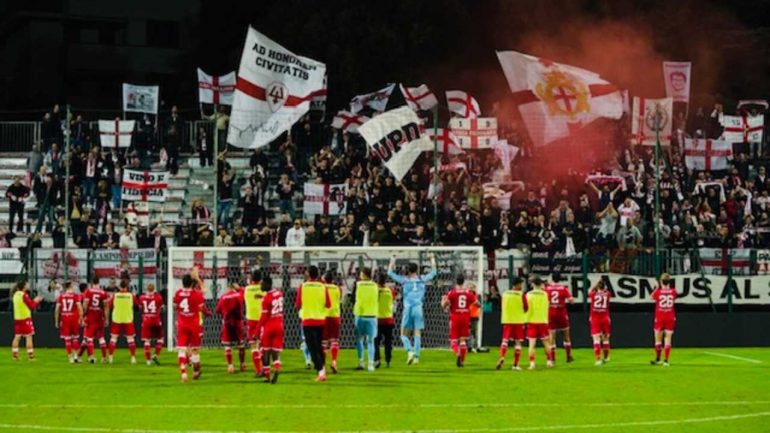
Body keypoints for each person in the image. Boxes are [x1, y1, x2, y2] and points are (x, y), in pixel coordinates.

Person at [387, 253, 437, 365]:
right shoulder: (422, 279)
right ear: (417, 270)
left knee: (403, 334)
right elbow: (434, 272)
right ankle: (416, 357)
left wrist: (392, 260)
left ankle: (409, 351)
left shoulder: (404, 280)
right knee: (417, 333)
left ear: (408, 271)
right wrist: (432, 258)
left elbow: (389, 273)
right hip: (418, 308)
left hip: (408, 308)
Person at [294, 265, 331, 381]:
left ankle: (320, 372)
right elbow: (328, 304)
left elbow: (297, 304)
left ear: (308, 274)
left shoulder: (303, 286)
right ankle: (322, 368)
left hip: (308, 321)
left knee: (312, 348)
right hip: (320, 320)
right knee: (319, 346)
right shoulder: (322, 286)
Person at [174, 274, 207, 382]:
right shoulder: (197, 295)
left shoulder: (178, 293)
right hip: (194, 325)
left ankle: (183, 372)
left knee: (182, 349)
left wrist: (181, 312)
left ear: (182, 283)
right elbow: (202, 308)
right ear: (192, 283)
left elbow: (175, 306)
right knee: (195, 350)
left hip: (182, 324)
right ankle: (196, 371)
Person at [441, 275, 479, 368]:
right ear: (463, 282)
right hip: (465, 317)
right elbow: (478, 304)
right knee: (463, 341)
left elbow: (444, 306)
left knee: (453, 341)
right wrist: (469, 304)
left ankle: (457, 352)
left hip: (455, 317)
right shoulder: (468, 293)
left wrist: (443, 300)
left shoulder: (452, 293)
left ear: (456, 282)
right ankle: (462, 361)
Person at [496, 277, 528, 370]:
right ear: (517, 284)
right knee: (518, 343)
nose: (521, 286)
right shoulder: (521, 294)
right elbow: (526, 308)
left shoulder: (505, 294)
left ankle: (502, 356)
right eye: (520, 284)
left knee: (505, 340)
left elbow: (502, 305)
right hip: (518, 320)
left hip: (507, 320)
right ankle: (515, 365)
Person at [215, 282, 246, 374]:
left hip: (227, 322)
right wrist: (239, 288)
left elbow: (217, 310)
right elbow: (243, 297)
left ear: (228, 287)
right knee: (241, 344)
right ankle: (242, 364)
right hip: (238, 322)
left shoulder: (223, 297)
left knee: (227, 345)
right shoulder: (239, 294)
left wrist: (224, 313)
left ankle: (230, 366)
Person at [544, 273, 574, 363]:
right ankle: (568, 356)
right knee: (566, 336)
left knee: (551, 337)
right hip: (561, 314)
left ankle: (552, 359)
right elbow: (571, 301)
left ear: (552, 279)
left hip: (551, 314)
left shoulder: (547, 289)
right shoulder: (563, 288)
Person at [259, 276, 284, 383]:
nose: (261, 285)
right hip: (279, 325)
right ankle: (277, 368)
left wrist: (256, 330)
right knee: (275, 351)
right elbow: (272, 300)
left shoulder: (266, 299)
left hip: (269, 326)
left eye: (262, 284)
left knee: (265, 351)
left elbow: (264, 317)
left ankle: (267, 375)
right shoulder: (279, 293)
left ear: (267, 285)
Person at [353, 267, 379, 372]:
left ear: (363, 274)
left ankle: (361, 362)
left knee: (359, 339)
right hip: (372, 315)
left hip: (360, 315)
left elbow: (352, 298)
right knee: (370, 341)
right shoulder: (375, 286)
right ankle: (371, 364)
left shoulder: (357, 284)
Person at [525, 277, 554, 370]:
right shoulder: (545, 294)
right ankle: (549, 361)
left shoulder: (528, 295)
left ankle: (532, 363)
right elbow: (548, 305)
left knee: (531, 344)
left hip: (532, 321)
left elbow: (526, 308)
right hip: (543, 320)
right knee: (546, 342)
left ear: (533, 284)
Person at [107, 280, 137, 364]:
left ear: (120, 287)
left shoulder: (115, 296)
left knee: (113, 339)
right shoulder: (131, 296)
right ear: (127, 287)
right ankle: (133, 358)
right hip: (128, 319)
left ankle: (110, 357)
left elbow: (109, 306)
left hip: (117, 319)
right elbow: (136, 306)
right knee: (130, 339)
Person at [11, 281, 43, 360]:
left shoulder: (15, 295)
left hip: (17, 318)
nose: (28, 285)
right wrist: (37, 300)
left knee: (17, 337)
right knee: (29, 337)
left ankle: (15, 355)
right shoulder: (24, 295)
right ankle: (31, 356)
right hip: (25, 318)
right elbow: (31, 305)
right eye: (27, 284)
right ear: (24, 287)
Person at [81, 277, 109, 363]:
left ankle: (92, 357)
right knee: (101, 338)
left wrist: (82, 316)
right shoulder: (103, 292)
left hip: (90, 316)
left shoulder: (88, 292)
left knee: (89, 338)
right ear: (99, 282)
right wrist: (106, 319)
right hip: (99, 317)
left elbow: (85, 305)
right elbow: (106, 307)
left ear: (92, 283)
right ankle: (104, 358)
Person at [651, 273, 677, 366]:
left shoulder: (658, 292)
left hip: (660, 317)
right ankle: (666, 360)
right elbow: (673, 299)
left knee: (658, 339)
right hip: (670, 316)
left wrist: (657, 287)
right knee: (668, 338)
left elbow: (652, 297)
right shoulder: (674, 291)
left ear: (661, 281)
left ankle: (658, 359)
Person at [54, 280, 83, 363]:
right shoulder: (75, 296)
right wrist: (81, 318)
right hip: (73, 318)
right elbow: (79, 307)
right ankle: (76, 356)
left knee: (67, 339)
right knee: (75, 338)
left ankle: (70, 358)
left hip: (64, 318)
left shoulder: (61, 296)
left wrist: (56, 321)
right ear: (70, 286)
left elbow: (57, 310)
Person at [243, 271, 266, 376]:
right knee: (262, 345)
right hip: (262, 319)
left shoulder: (246, 289)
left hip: (251, 320)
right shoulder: (264, 290)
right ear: (260, 280)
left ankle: (258, 370)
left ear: (251, 279)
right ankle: (265, 368)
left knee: (253, 345)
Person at [374, 271, 396, 368]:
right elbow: (394, 299)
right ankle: (388, 361)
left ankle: (377, 360)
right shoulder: (390, 290)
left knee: (376, 342)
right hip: (388, 319)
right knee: (388, 342)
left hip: (378, 319)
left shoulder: (374, 290)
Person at [138, 283, 164, 366]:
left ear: (146, 289)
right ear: (154, 289)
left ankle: (148, 361)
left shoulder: (142, 297)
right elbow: (161, 307)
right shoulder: (159, 297)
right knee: (160, 339)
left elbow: (140, 307)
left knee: (147, 341)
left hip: (146, 320)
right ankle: (155, 355)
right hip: (156, 320)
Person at [322, 270, 343, 373]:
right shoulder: (338, 289)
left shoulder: (322, 288)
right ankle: (334, 362)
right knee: (334, 341)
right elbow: (339, 299)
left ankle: (323, 366)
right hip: (335, 316)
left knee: (324, 342)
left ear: (324, 279)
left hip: (324, 316)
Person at [588, 279, 612, 366]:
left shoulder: (593, 294)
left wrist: (596, 283)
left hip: (595, 318)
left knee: (596, 339)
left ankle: (598, 360)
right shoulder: (608, 294)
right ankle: (606, 358)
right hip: (605, 318)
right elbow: (606, 290)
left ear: (598, 286)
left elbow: (589, 290)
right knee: (606, 339)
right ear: (604, 287)